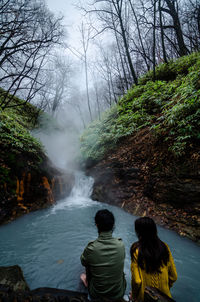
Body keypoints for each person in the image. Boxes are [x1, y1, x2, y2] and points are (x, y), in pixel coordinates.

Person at [80, 209, 126, 302]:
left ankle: (87, 281)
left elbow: (83, 261)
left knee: (87, 265)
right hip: (119, 292)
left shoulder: (91, 248)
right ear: (113, 225)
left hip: (97, 294)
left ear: (97, 225)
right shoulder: (121, 245)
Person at [130, 217, 177, 302]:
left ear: (139, 232)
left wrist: (134, 296)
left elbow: (137, 281)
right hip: (165, 297)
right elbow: (174, 276)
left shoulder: (136, 250)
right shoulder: (165, 247)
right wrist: (165, 288)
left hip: (144, 297)